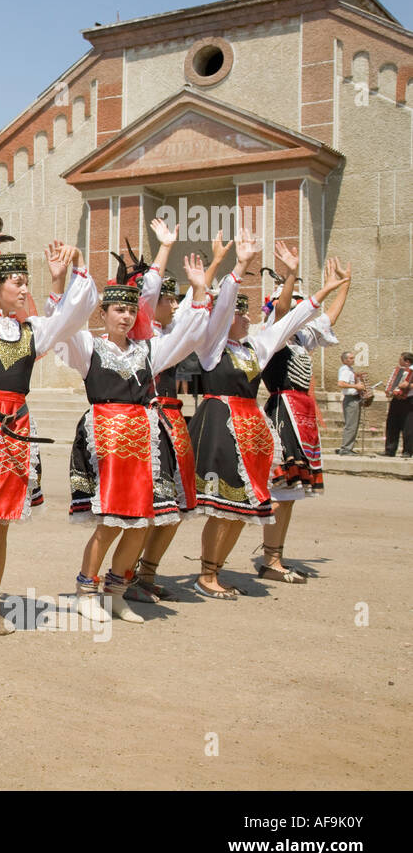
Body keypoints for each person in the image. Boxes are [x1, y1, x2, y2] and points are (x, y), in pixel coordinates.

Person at [0, 220, 95, 637]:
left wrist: (76, 265)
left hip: (17, 433)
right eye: (18, 283)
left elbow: (74, 314)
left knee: (1, 529)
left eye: (26, 282)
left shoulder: (34, 332)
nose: (25, 290)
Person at [187, 256, 350, 599]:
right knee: (220, 505)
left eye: (247, 312)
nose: (247, 317)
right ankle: (202, 573)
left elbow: (292, 319)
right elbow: (264, 312)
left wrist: (330, 288)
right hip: (221, 425)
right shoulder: (212, 348)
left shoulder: (255, 348)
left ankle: (215, 570)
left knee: (241, 507)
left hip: (250, 428)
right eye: (240, 313)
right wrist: (237, 267)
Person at [62, 253, 211, 623]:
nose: (126, 317)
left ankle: (116, 592)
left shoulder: (148, 350)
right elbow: (62, 328)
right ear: (104, 314)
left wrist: (198, 289)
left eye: (131, 312)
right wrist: (69, 278)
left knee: (143, 520)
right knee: (111, 520)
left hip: (144, 441)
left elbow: (186, 335)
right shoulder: (88, 348)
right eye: (117, 311)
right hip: (106, 440)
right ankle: (86, 589)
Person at [130, 227, 240, 602]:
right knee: (149, 506)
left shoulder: (171, 330)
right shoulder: (140, 333)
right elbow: (145, 297)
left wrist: (217, 269)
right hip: (146, 422)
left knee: (174, 508)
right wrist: (164, 249)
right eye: (168, 299)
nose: (173, 305)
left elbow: (198, 313)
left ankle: (146, 575)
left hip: (175, 423)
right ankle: (124, 576)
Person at [257, 253, 352, 582]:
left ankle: (275, 557)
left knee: (292, 493)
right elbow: (284, 312)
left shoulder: (300, 341)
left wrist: (344, 285)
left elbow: (328, 320)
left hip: (302, 413)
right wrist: (291, 277)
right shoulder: (275, 336)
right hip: (284, 412)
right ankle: (270, 559)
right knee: (282, 489)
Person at [383, 352, 413, 457]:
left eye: (401, 360)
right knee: (392, 424)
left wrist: (409, 385)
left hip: (409, 401)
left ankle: (407, 451)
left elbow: (408, 385)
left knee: (408, 427)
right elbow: (393, 384)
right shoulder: (399, 371)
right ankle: (390, 450)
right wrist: (389, 390)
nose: (399, 361)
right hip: (396, 400)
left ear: (407, 361)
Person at [336, 351, 363, 454]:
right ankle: (346, 448)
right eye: (351, 358)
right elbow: (341, 383)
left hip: (354, 398)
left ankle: (348, 447)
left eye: (353, 358)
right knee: (351, 425)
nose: (353, 360)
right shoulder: (345, 370)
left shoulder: (350, 370)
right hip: (350, 399)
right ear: (345, 360)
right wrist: (356, 386)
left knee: (353, 424)